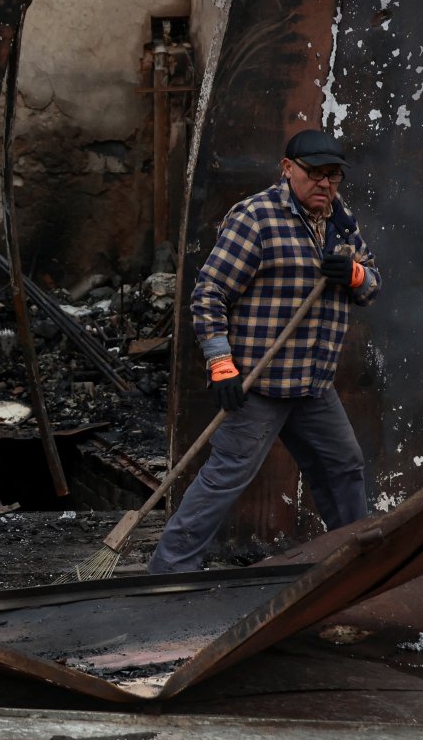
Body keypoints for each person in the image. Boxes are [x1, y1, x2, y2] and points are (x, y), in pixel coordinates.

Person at [147, 129, 381, 574]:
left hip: (313, 384)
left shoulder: (340, 222)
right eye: (314, 173)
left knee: (344, 466)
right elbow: (209, 293)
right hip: (261, 383)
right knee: (226, 477)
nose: (324, 184)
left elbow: (373, 285)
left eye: (333, 176)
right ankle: (168, 573)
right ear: (287, 169)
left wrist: (353, 275)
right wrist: (221, 364)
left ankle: (358, 564)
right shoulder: (256, 217)